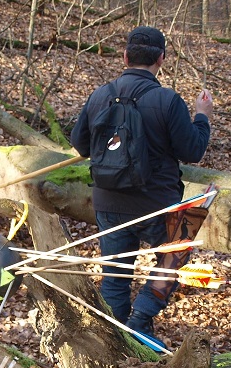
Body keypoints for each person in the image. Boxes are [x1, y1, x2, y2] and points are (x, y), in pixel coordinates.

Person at [70, 25, 213, 345]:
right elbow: (193, 151)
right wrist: (202, 116)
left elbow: (80, 145)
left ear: (125, 57)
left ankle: (119, 338)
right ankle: (140, 320)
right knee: (174, 257)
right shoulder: (168, 101)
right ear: (161, 58)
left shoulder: (100, 96)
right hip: (156, 204)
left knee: (115, 274)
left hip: (109, 202)